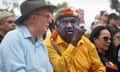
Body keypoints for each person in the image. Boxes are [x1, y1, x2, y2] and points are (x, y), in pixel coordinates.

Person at [0, 0, 56, 72]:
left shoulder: (41, 45)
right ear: (34, 18)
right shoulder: (14, 38)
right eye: (47, 16)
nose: (50, 21)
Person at [44, 8, 105, 72]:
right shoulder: (49, 44)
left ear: (78, 25)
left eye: (73, 22)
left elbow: (99, 68)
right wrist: (73, 43)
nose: (69, 26)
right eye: (64, 22)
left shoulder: (86, 43)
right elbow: (60, 69)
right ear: (56, 26)